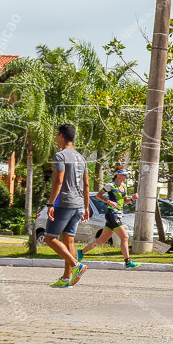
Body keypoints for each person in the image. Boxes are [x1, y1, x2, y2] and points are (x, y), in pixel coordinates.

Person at [43, 123, 91, 288]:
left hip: (64, 203)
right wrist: (86, 207)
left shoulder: (61, 156)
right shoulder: (81, 157)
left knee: (50, 238)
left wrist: (50, 203)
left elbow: (58, 180)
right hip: (78, 204)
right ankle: (65, 278)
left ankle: (76, 266)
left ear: (62, 136)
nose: (56, 138)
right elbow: (86, 185)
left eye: (57, 135)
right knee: (68, 240)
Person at [78, 169, 139, 270]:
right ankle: (127, 262)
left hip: (118, 214)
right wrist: (109, 201)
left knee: (102, 240)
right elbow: (98, 196)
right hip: (112, 214)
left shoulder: (124, 187)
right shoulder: (110, 185)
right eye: (124, 175)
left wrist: (132, 199)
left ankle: (81, 252)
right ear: (118, 175)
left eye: (126, 175)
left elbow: (124, 201)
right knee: (125, 237)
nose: (125, 177)